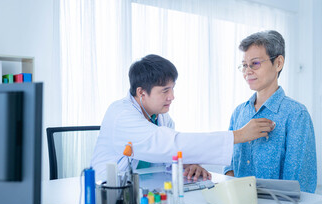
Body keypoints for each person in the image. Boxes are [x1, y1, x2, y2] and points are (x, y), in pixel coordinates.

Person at [91, 54, 274, 181]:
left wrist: (188, 163)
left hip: (146, 189)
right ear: (141, 92)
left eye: (172, 88)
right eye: (165, 90)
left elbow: (168, 155)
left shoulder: (162, 118)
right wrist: (239, 135)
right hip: (110, 192)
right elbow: (168, 144)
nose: (172, 96)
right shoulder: (121, 115)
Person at [224, 30, 316, 204]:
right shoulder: (239, 112)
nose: (247, 71)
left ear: (278, 63)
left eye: (255, 63)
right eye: (244, 65)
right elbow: (229, 165)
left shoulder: (296, 114)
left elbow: (297, 187)